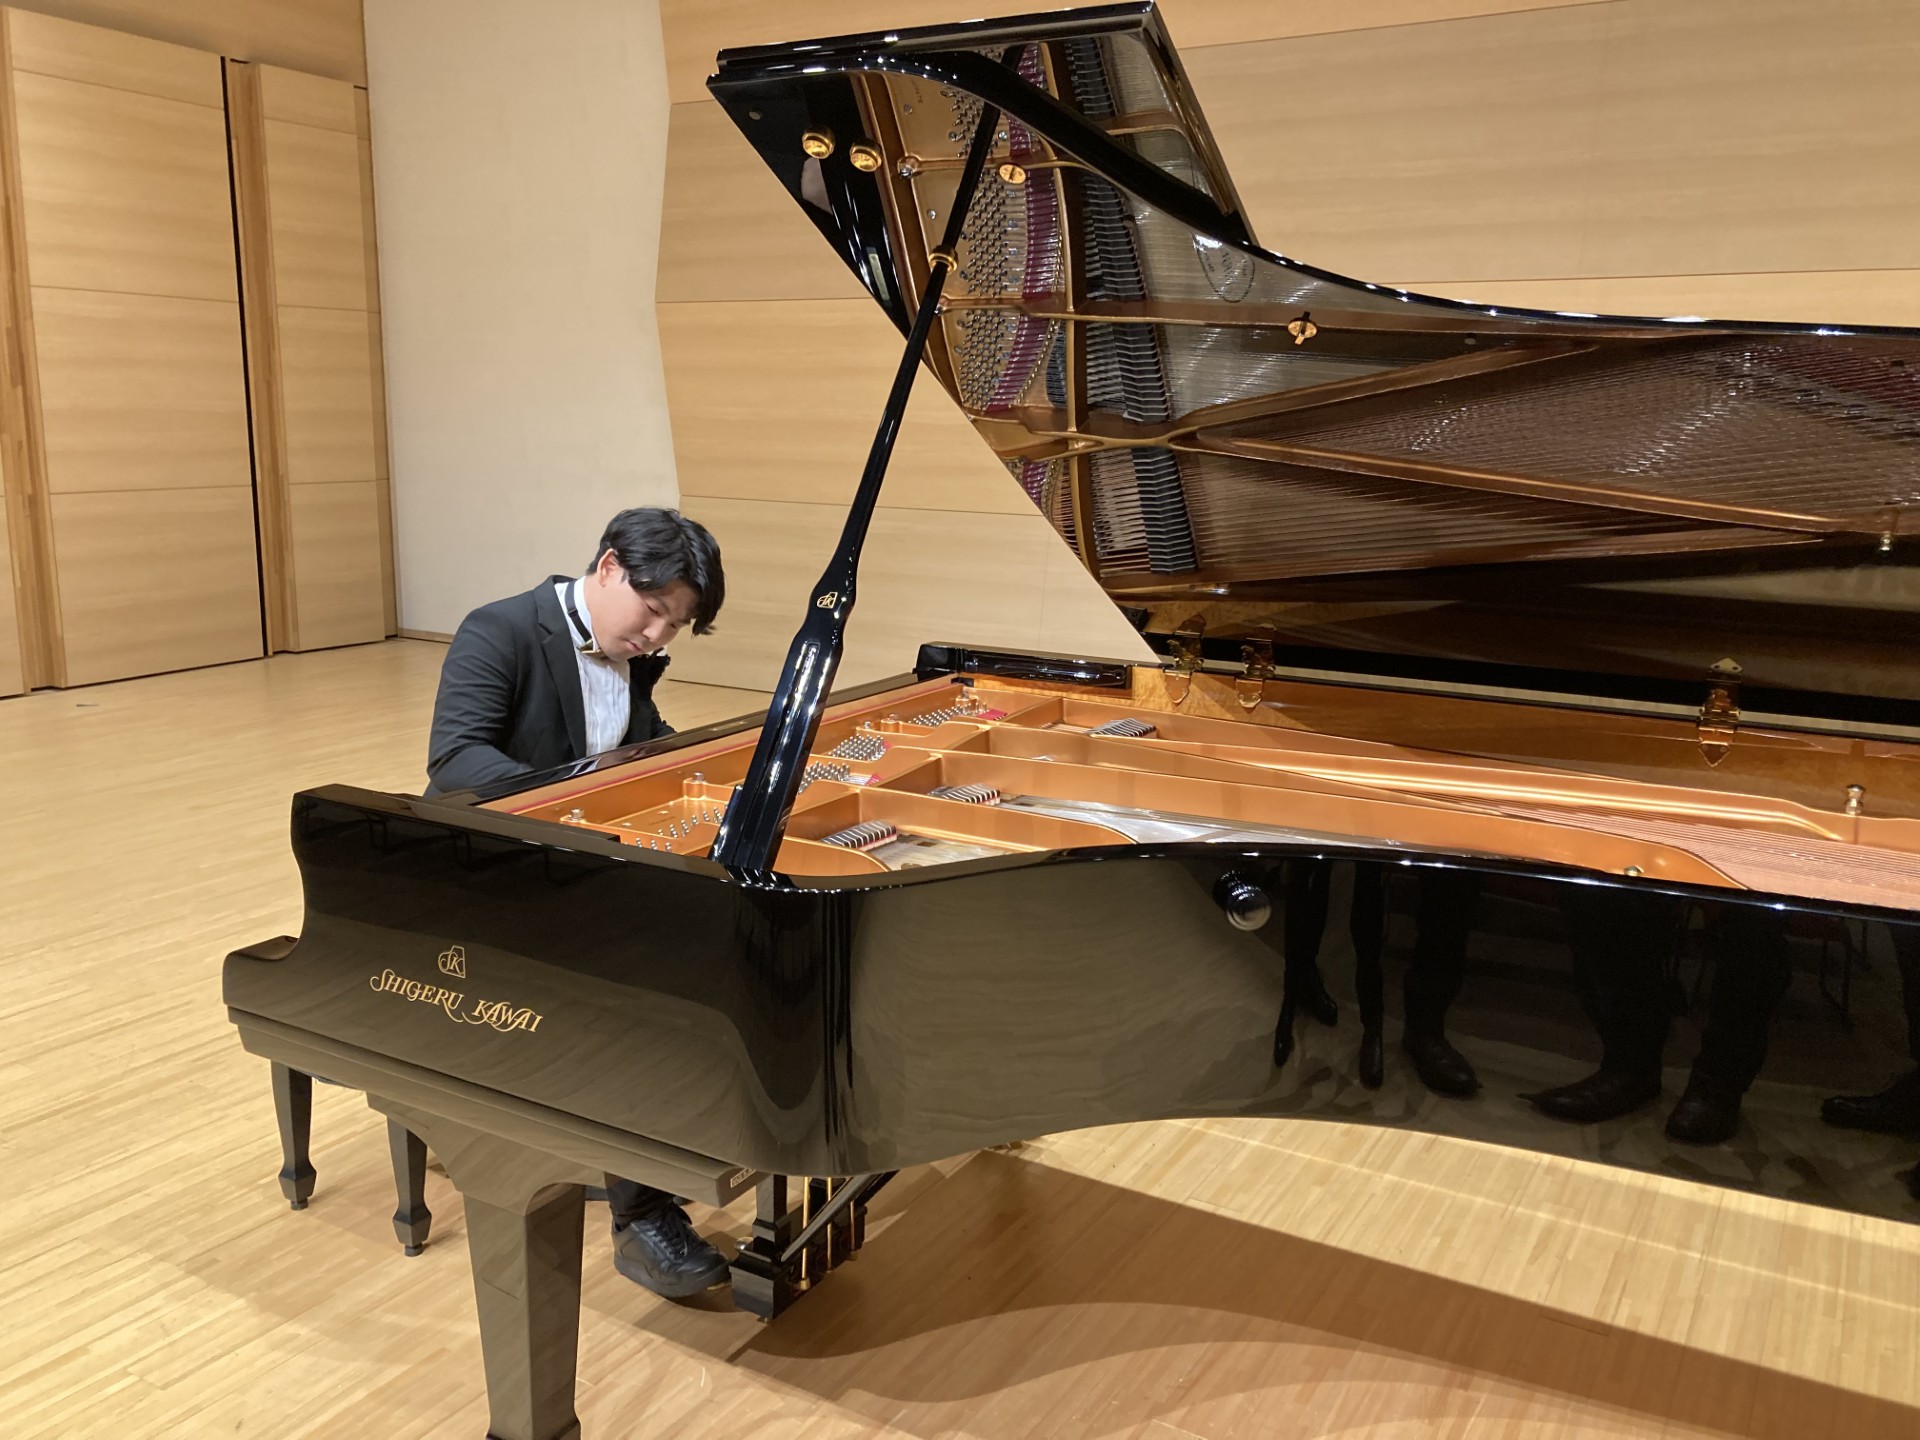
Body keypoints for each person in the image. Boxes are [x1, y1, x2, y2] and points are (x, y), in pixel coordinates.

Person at [425, 507, 732, 1297]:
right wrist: (580, 799)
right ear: (608, 568)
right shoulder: (499, 630)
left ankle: (674, 1135)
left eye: (676, 624)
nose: (658, 635)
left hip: (579, 865)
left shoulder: (632, 655)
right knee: (637, 988)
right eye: (653, 610)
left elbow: (641, 745)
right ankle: (643, 1218)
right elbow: (456, 759)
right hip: (491, 875)